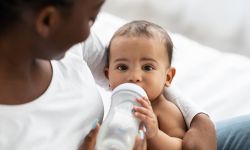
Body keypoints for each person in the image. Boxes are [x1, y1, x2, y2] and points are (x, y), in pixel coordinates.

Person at [0, 0, 235, 149]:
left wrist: (199, 119)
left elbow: (136, 74)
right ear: (47, 20)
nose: (89, 34)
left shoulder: (69, 46)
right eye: (90, 19)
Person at [104, 20, 187, 149]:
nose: (134, 77)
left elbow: (181, 147)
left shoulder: (165, 110)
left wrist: (155, 134)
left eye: (147, 67)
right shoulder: (117, 106)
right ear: (107, 75)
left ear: (168, 77)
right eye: (122, 67)